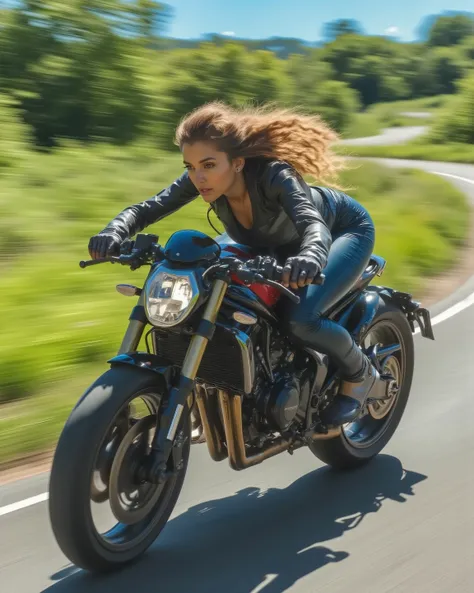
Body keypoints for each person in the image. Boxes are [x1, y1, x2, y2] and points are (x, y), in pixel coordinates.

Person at [88, 101, 382, 427]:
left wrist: (310, 256)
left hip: (339, 232)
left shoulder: (276, 176)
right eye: (190, 166)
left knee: (300, 319)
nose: (198, 177)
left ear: (238, 162)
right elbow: (147, 208)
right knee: (204, 283)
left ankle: (360, 374)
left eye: (209, 164)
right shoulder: (205, 181)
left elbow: (314, 225)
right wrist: (114, 230)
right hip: (264, 242)